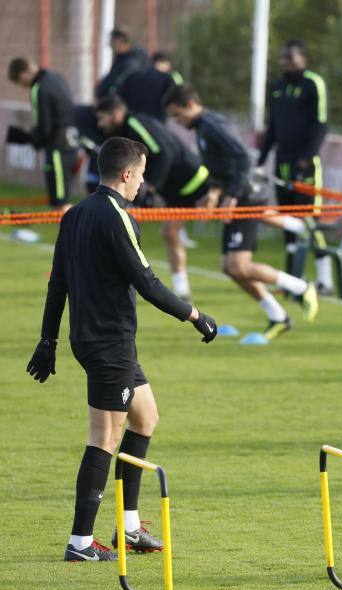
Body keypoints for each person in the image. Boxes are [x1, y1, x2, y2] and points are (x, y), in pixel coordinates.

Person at [25, 137, 218, 561]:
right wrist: (195, 315)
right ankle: (79, 544)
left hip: (100, 341)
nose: (144, 181)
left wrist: (48, 339)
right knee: (104, 437)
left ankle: (129, 529)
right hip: (108, 343)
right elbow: (147, 284)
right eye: (143, 173)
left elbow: (57, 282)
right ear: (127, 174)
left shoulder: (74, 214)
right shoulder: (117, 218)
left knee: (146, 418)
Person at [164, 85, 319, 339]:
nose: (177, 121)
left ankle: (301, 287)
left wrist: (233, 196)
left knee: (238, 264)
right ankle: (278, 316)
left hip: (247, 197)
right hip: (238, 196)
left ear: (190, 104)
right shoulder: (203, 128)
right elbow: (221, 167)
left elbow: (243, 160)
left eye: (177, 114)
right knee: (230, 267)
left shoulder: (212, 125)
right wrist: (214, 192)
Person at [95, 95, 211, 301]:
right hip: (177, 191)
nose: (100, 123)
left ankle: (289, 222)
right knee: (169, 232)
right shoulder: (127, 129)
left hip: (194, 182)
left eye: (103, 117)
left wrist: (152, 189)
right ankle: (182, 291)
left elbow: (163, 153)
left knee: (253, 217)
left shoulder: (135, 124)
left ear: (116, 114)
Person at [257, 39, 334, 295]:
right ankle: (292, 282)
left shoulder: (313, 83)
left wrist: (305, 159)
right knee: (288, 223)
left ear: (304, 59)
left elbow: (320, 125)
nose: (285, 63)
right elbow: (272, 128)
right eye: (283, 58)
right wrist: (261, 160)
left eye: (291, 58)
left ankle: (325, 281)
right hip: (282, 164)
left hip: (306, 165)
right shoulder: (277, 87)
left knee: (311, 222)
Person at [6, 57, 79, 210]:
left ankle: (78, 232)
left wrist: (33, 139)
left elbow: (44, 126)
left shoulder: (39, 88)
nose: (22, 85)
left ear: (23, 74)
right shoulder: (56, 78)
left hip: (57, 148)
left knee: (60, 202)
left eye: (20, 82)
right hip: (71, 142)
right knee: (62, 197)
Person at [95, 26, 149, 99]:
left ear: (120, 41)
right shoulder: (124, 58)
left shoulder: (129, 63)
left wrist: (101, 93)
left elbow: (113, 86)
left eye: (113, 42)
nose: (111, 46)